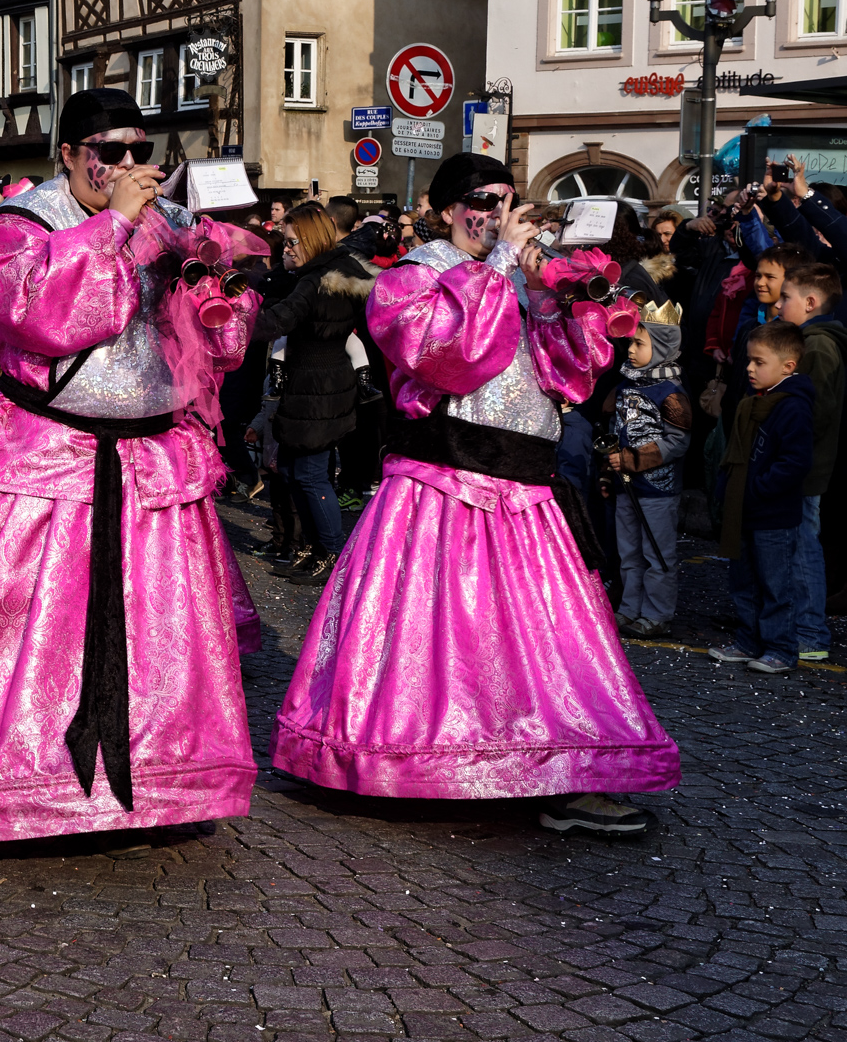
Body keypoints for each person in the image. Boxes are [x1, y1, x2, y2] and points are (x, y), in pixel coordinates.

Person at [0, 87, 260, 842]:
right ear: (69, 155)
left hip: (146, 458)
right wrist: (113, 228)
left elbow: (220, 348)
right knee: (20, 626)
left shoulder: (168, 223)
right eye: (110, 153)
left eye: (140, 153)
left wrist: (214, 282)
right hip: (47, 459)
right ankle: (20, 779)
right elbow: (35, 315)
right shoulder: (16, 224)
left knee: (157, 630)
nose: (129, 167)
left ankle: (160, 778)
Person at [270, 152, 679, 836]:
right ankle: (426, 761)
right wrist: (498, 271)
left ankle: (559, 772)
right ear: (443, 208)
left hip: (526, 491)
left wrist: (568, 305)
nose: (494, 214)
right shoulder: (407, 278)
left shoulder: (514, 278)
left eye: (505, 200)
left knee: (548, 646)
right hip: (443, 489)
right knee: (440, 636)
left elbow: (570, 378)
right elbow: (450, 359)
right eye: (481, 200)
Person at [248, 202, 373, 584]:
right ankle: (316, 547)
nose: (286, 249)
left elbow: (275, 322)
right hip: (316, 384)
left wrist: (236, 308)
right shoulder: (332, 272)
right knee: (291, 470)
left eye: (291, 242)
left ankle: (330, 552)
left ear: (310, 239)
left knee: (311, 475)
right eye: (284, 243)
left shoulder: (317, 279)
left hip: (319, 387)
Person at [709, 320, 815, 676]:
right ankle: (749, 641)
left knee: (774, 583)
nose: (750, 368)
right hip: (746, 510)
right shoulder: (756, 400)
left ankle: (781, 648)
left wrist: (756, 490)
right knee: (744, 580)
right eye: (749, 361)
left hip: (772, 514)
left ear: (787, 366)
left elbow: (794, 463)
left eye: (758, 362)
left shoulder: (793, 407)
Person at [599, 303, 690, 639]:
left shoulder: (672, 394)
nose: (631, 350)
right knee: (629, 552)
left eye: (640, 344)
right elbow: (615, 429)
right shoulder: (626, 386)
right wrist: (609, 471)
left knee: (657, 553)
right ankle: (629, 607)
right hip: (627, 488)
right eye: (632, 343)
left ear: (663, 348)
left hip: (657, 490)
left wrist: (634, 459)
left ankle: (657, 612)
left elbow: (677, 442)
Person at [774, 261, 845, 664]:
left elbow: (813, 413)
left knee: (803, 548)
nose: (780, 304)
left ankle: (810, 632)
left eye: (787, 297)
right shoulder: (811, 340)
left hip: (805, 467)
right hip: (803, 463)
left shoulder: (817, 346)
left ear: (811, 302)